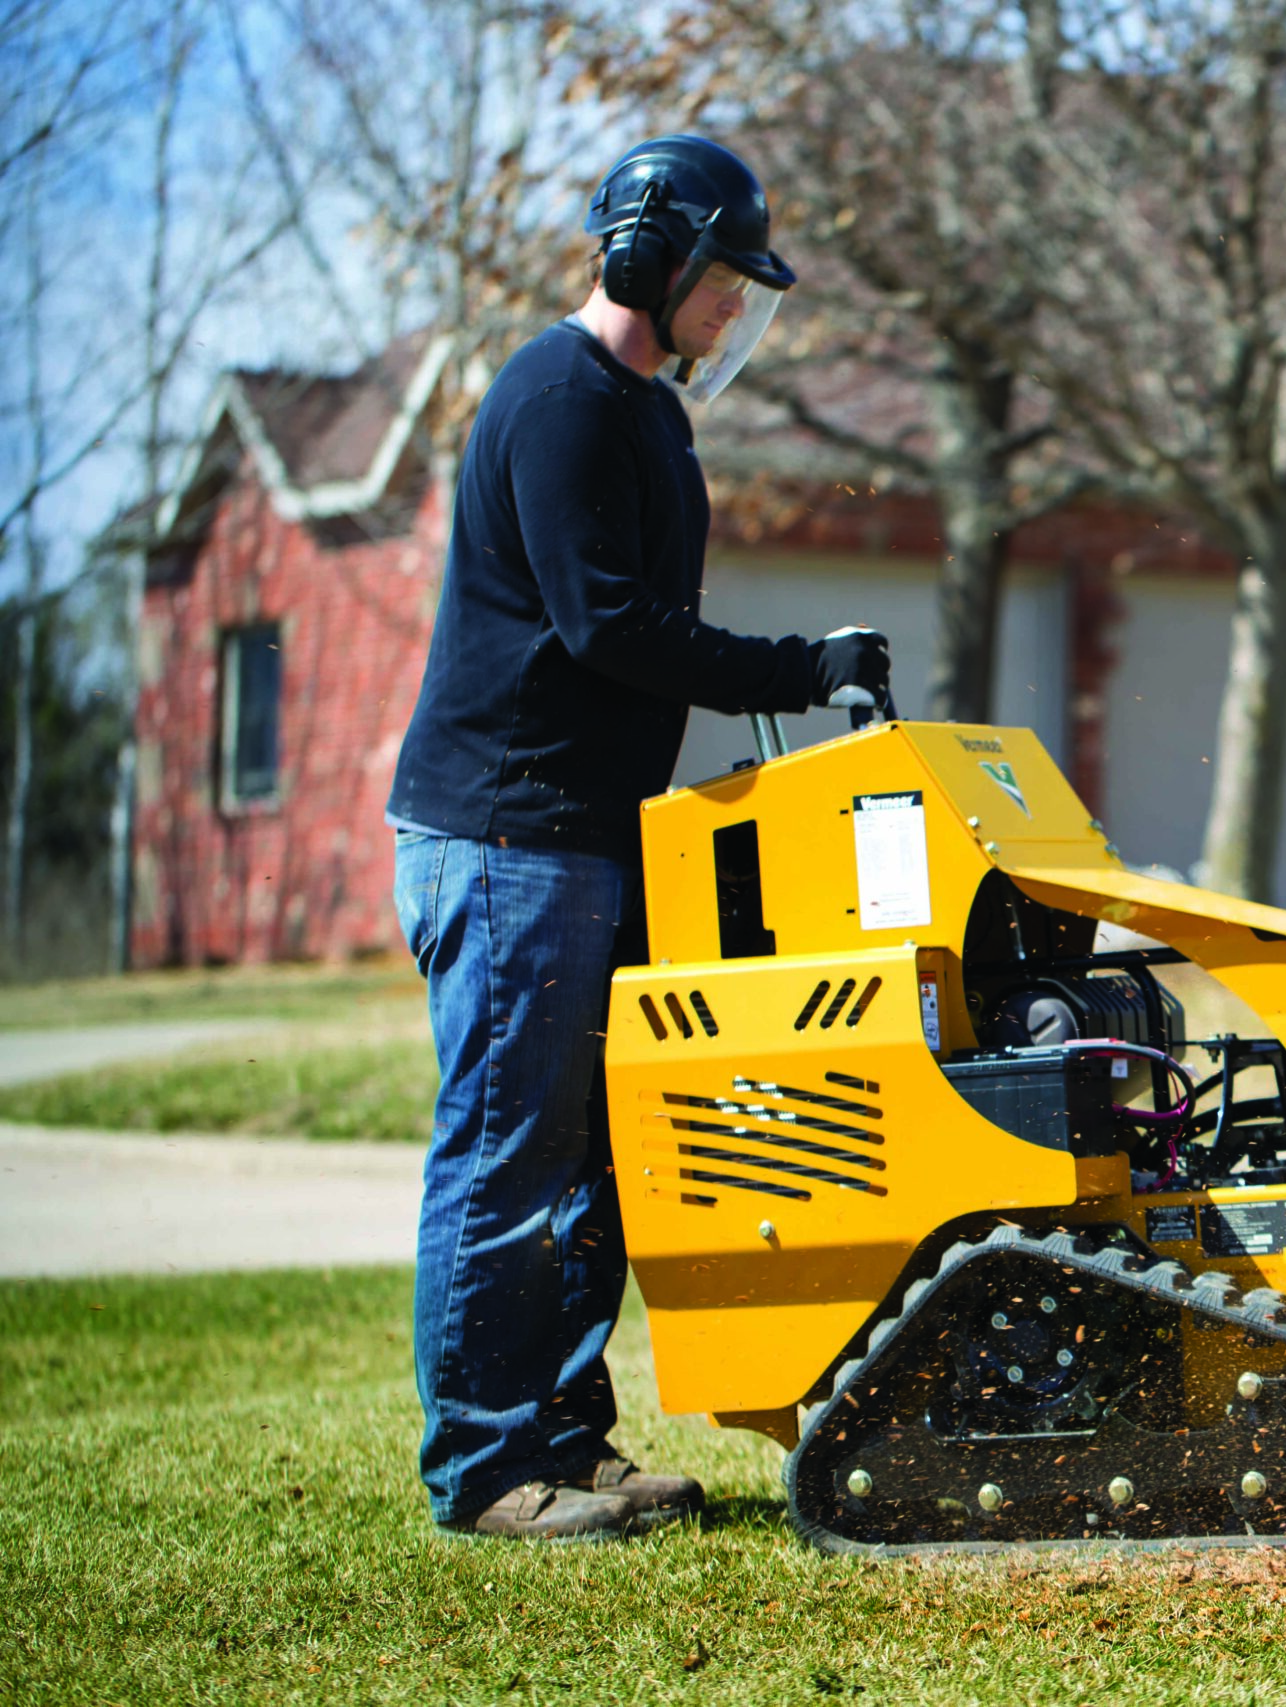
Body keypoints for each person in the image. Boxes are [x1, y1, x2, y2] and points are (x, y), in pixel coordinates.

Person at [387, 135, 892, 1542]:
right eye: (726, 280)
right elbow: (607, 625)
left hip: (592, 841)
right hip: (508, 839)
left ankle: (567, 1437)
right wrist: (797, 667)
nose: (736, 310)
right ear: (646, 257)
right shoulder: (557, 402)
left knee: (597, 1159)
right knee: (508, 1154)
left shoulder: (647, 413)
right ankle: (486, 1472)